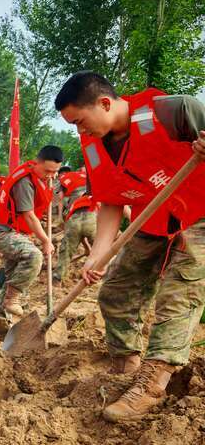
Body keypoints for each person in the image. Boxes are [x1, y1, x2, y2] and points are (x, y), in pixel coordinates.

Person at [55, 71, 205, 422]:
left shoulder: (173, 111)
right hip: (153, 220)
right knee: (116, 291)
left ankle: (152, 384)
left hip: (200, 215)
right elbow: (110, 201)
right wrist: (98, 256)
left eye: (80, 121)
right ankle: (127, 364)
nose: (80, 131)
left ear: (105, 103)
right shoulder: (94, 146)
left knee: (178, 294)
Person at [0, 145, 64, 316]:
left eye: (55, 172)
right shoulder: (25, 182)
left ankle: (0, 317)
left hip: (17, 232)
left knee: (12, 276)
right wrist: (46, 241)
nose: (51, 175)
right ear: (37, 163)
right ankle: (12, 299)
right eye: (47, 171)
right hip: (4, 233)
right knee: (34, 256)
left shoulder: (42, 178)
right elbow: (29, 216)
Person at [54, 168, 97, 281]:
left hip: (73, 217)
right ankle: (105, 275)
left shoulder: (64, 179)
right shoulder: (89, 179)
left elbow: (60, 198)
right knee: (100, 250)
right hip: (93, 215)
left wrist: (60, 218)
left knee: (66, 251)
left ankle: (58, 278)